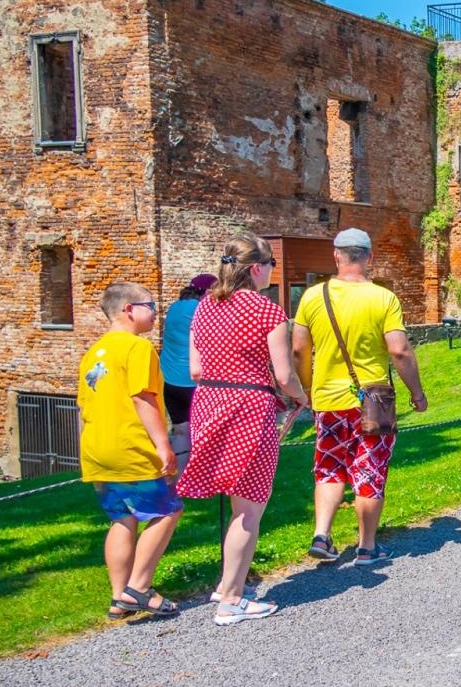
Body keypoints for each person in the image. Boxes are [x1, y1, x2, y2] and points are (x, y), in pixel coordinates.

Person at [178, 236, 309, 625]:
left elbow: (196, 371)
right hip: (248, 407)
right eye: (270, 263)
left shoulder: (204, 308)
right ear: (255, 268)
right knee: (249, 507)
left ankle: (227, 583)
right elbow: (284, 375)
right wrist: (301, 397)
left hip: (208, 403)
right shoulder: (266, 311)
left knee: (236, 503)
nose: (273, 270)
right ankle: (231, 599)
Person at [292, 228, 428, 566]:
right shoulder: (383, 298)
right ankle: (366, 547)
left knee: (329, 467)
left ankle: (322, 534)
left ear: (336, 256)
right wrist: (417, 392)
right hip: (374, 402)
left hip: (328, 401)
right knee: (369, 470)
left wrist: (306, 389)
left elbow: (298, 349)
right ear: (369, 257)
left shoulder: (312, 296)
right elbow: (399, 350)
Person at [78, 281, 183, 619]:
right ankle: (138, 588)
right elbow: (143, 398)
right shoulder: (137, 348)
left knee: (122, 519)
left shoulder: (94, 352)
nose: (155, 313)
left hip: (97, 448)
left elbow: (85, 405)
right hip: (130, 447)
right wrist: (163, 445)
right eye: (150, 306)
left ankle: (117, 596)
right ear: (128, 310)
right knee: (167, 511)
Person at [160, 273, 215, 471]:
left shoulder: (174, 308)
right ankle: (205, 476)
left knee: (181, 431)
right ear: (208, 291)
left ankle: (180, 478)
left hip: (170, 381)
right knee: (204, 430)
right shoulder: (203, 309)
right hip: (194, 380)